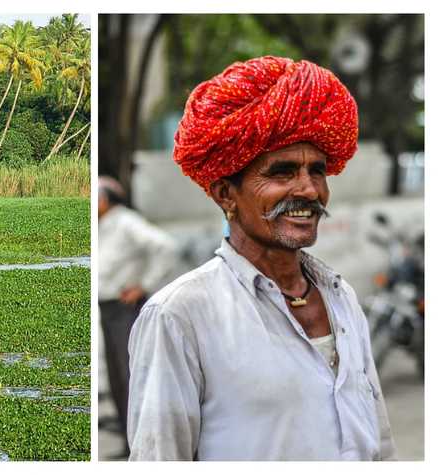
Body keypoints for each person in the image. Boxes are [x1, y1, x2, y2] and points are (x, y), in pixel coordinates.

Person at [127, 56, 396, 461]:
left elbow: (380, 447)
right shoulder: (180, 316)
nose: (309, 190)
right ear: (225, 194)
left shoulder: (343, 300)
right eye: (282, 173)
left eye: (317, 171)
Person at [98, 175, 178, 460]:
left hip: (124, 309)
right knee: (118, 377)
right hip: (107, 309)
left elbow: (165, 247)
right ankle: (128, 441)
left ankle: (144, 446)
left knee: (132, 374)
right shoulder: (103, 225)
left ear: (105, 199)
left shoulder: (126, 221)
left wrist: (143, 285)